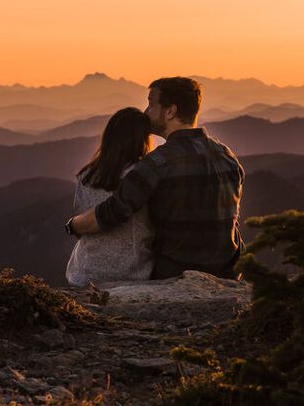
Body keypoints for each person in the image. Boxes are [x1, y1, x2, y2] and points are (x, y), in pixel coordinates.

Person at [68, 77, 245, 280]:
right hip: (227, 271)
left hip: (176, 274)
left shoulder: (157, 163)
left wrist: (73, 225)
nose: (146, 111)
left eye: (151, 104)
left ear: (170, 112)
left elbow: (111, 213)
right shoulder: (227, 156)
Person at [65, 107, 155, 285]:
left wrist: (72, 225)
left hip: (85, 273)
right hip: (132, 274)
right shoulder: (143, 176)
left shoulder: (87, 175)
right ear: (143, 139)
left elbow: (84, 223)